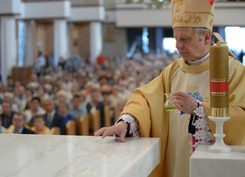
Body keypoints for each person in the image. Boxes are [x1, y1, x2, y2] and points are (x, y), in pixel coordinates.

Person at [94, 1, 245, 177]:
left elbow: (241, 117)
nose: (177, 45)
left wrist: (199, 109)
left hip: (213, 166)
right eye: (176, 38)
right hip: (174, 162)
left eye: (184, 39)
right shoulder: (172, 71)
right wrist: (125, 123)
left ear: (205, 37)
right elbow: (146, 101)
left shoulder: (233, 71)